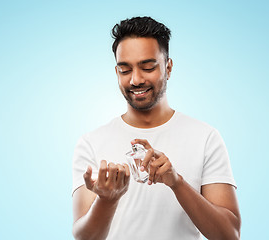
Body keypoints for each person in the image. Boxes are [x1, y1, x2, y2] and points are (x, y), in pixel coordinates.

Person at [72, 16, 241, 240]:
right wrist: (107, 200)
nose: (136, 79)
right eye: (125, 70)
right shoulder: (91, 143)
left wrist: (177, 183)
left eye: (148, 67)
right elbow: (84, 238)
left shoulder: (205, 137)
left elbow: (229, 235)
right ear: (116, 73)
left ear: (168, 68)